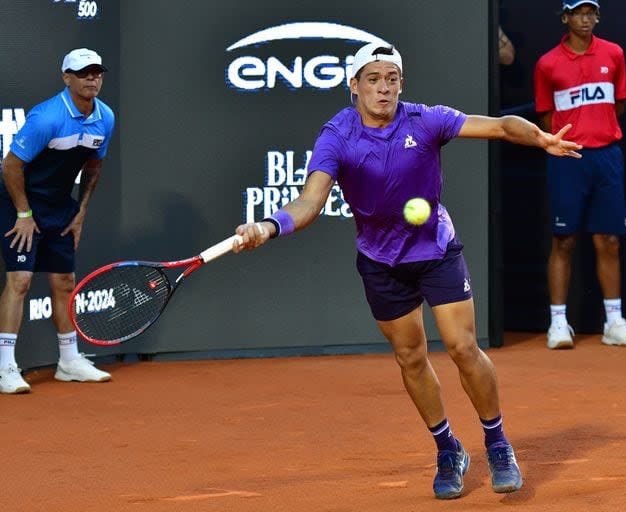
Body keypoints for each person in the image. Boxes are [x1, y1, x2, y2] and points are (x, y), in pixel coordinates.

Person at [232, 43, 581, 499]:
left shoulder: (425, 119)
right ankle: (448, 448)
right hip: (381, 262)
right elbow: (310, 202)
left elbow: (497, 126)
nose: (384, 88)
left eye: (392, 78)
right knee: (411, 356)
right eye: (373, 79)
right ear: (353, 85)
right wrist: (268, 226)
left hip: (436, 250)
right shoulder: (337, 135)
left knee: (462, 347)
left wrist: (538, 137)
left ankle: (497, 442)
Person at [0, 48, 115, 394]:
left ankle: (69, 361)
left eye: (96, 72)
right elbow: (11, 166)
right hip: (19, 203)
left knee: (64, 280)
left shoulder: (105, 117)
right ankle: (6, 367)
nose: (92, 78)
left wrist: (80, 212)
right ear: (67, 78)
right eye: (83, 73)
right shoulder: (47, 118)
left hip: (59, 205)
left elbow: (94, 165)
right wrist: (23, 213)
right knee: (19, 280)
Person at [534, 0, 626, 350]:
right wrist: (573, 140)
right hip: (568, 159)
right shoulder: (547, 64)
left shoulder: (613, 54)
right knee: (563, 241)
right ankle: (558, 324)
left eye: (591, 13)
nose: (586, 19)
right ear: (565, 17)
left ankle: (613, 322)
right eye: (578, 13)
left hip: (608, 157)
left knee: (608, 240)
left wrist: (596, 130)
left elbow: (620, 104)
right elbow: (546, 119)